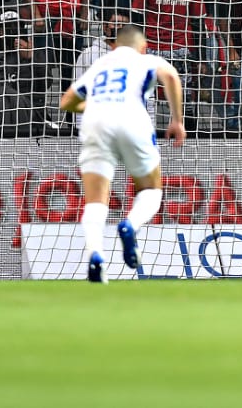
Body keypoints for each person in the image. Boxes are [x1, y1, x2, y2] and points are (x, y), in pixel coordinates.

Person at [56, 23, 186, 282]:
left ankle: (95, 258)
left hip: (94, 124)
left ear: (113, 45)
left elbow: (66, 101)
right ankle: (129, 225)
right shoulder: (146, 59)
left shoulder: (99, 65)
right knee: (151, 190)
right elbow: (170, 76)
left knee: (95, 200)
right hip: (132, 118)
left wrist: (98, 105)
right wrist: (177, 120)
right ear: (143, 46)